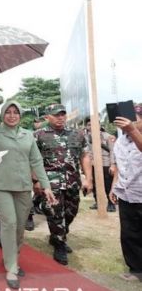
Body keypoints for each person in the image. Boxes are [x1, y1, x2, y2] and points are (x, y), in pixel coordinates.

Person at [0, 101, 55, 289]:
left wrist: (46, 185)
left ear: (20, 115)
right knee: (9, 222)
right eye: (8, 112)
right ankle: (11, 267)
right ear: (2, 114)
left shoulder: (28, 135)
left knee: (19, 226)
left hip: (24, 186)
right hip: (0, 186)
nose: (11, 115)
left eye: (15, 112)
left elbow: (36, 160)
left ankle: (11, 257)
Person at [33, 104, 92, 265]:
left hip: (72, 181)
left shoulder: (77, 134)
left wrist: (88, 179)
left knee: (71, 212)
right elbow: (32, 160)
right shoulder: (38, 135)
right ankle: (59, 244)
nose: (60, 117)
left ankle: (58, 235)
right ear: (47, 117)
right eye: (56, 115)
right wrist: (36, 180)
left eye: (62, 114)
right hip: (50, 183)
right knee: (54, 213)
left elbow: (85, 156)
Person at [109, 110, 142, 282]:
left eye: (135, 120)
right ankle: (136, 269)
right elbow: (120, 167)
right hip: (127, 193)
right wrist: (115, 187)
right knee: (130, 234)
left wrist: (133, 130)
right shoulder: (120, 141)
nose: (128, 122)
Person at [85, 117, 116, 212]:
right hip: (92, 164)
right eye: (89, 125)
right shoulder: (85, 138)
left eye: (94, 124)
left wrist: (113, 164)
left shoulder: (107, 136)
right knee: (94, 184)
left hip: (105, 163)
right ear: (86, 126)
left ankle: (111, 203)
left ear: (99, 125)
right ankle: (97, 202)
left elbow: (112, 151)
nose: (91, 126)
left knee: (108, 184)